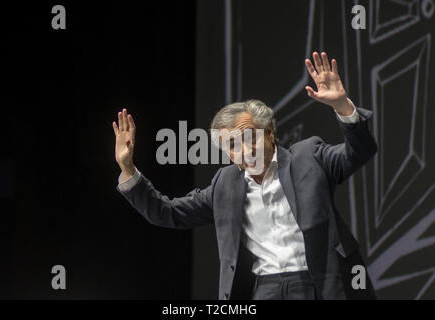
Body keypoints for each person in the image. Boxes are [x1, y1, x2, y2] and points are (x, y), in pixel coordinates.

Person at [112, 52, 378, 300]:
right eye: (232, 145)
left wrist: (342, 106)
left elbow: (359, 152)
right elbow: (166, 212)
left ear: (270, 134)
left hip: (320, 280)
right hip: (265, 287)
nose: (243, 150)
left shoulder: (308, 156)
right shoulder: (224, 184)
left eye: (249, 137)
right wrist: (127, 168)